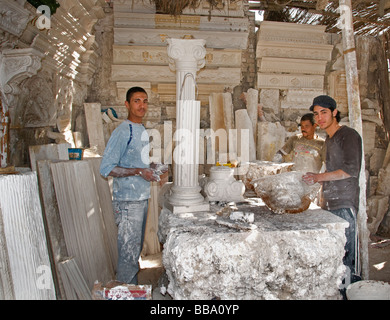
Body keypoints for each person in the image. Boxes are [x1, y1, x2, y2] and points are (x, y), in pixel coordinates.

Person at [100, 86, 167, 284]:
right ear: (127, 104)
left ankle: (130, 291)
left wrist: (155, 166)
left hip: (141, 198)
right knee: (128, 255)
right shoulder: (122, 131)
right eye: (137, 101)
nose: (142, 105)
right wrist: (139, 172)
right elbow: (106, 168)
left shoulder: (142, 130)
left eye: (145, 101)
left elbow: (140, 164)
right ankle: (126, 293)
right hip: (127, 201)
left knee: (134, 251)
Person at [302, 95, 362, 288]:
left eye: (324, 113)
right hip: (328, 203)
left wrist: (318, 178)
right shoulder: (328, 140)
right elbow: (328, 171)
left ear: (334, 113)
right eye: (316, 114)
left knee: (347, 260)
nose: (319, 118)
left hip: (344, 203)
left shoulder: (348, 135)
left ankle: (351, 292)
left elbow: (349, 170)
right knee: (334, 258)